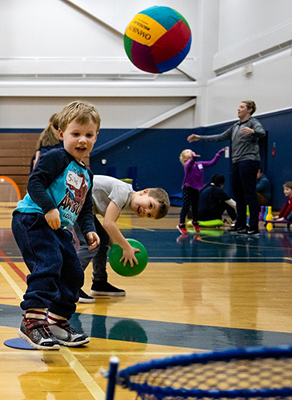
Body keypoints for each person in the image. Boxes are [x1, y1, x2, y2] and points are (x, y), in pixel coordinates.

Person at [12, 100, 100, 350]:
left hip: (59, 228)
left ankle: (57, 322)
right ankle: (32, 321)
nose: (82, 140)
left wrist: (90, 228)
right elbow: (35, 183)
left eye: (88, 135)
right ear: (62, 134)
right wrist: (50, 208)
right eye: (75, 134)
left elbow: (85, 206)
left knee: (73, 272)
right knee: (48, 264)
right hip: (33, 219)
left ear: (96, 137)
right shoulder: (56, 158)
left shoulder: (87, 174)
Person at [75, 175, 170, 303]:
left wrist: (118, 246)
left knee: (102, 239)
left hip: (84, 206)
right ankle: (70, 286)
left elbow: (110, 231)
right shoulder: (123, 192)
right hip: (75, 200)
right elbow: (108, 223)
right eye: (150, 205)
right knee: (92, 243)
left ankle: (99, 282)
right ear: (144, 192)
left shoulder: (125, 199)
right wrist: (126, 247)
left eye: (149, 214)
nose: (145, 211)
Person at [188, 100, 266, 236]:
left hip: (249, 161)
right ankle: (240, 224)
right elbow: (219, 137)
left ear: (249, 110)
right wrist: (199, 137)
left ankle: (253, 227)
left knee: (250, 194)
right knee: (238, 194)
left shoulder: (253, 122)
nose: (238, 109)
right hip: (236, 162)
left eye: (241, 107)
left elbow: (262, 133)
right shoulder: (235, 126)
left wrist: (253, 131)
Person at [177, 147, 228, 234]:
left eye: (191, 150)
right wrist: (194, 158)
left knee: (195, 206)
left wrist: (219, 153)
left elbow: (212, 162)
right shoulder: (187, 165)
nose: (191, 151)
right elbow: (190, 163)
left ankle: (195, 222)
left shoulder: (199, 164)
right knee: (185, 206)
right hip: (188, 188)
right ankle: (181, 224)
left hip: (196, 188)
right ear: (185, 157)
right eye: (188, 152)